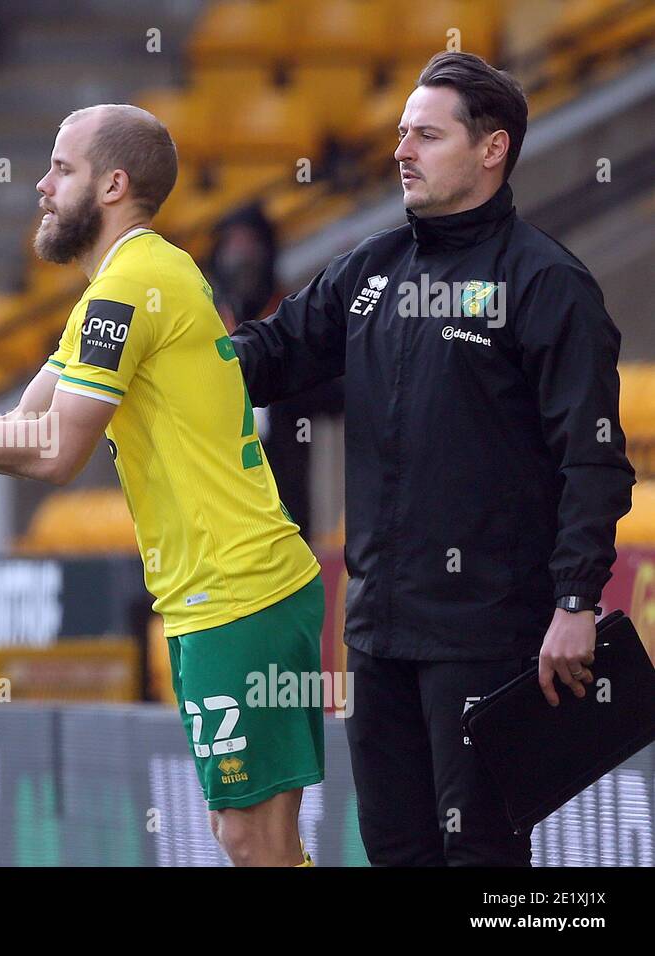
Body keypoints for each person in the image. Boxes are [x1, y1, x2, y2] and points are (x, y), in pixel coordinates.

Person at [0, 104, 326, 866]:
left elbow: (51, 456)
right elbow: (21, 430)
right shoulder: (123, 286)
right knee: (249, 834)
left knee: (254, 837)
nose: (41, 186)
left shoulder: (130, 288)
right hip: (217, 593)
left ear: (113, 184)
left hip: (239, 589)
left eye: (62, 168)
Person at [228, 52, 635, 865]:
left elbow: (592, 460)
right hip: (377, 634)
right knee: (396, 852)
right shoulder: (371, 269)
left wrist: (575, 601)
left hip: (487, 632)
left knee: (479, 856)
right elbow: (265, 357)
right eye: (401, 133)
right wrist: (143, 363)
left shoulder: (548, 282)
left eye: (426, 134)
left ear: (492, 150)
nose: (401, 151)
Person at [205, 206, 343, 540]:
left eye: (249, 245)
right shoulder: (203, 319)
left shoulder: (294, 321)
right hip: (217, 502)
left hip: (286, 500)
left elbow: (337, 396)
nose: (241, 258)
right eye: (233, 246)